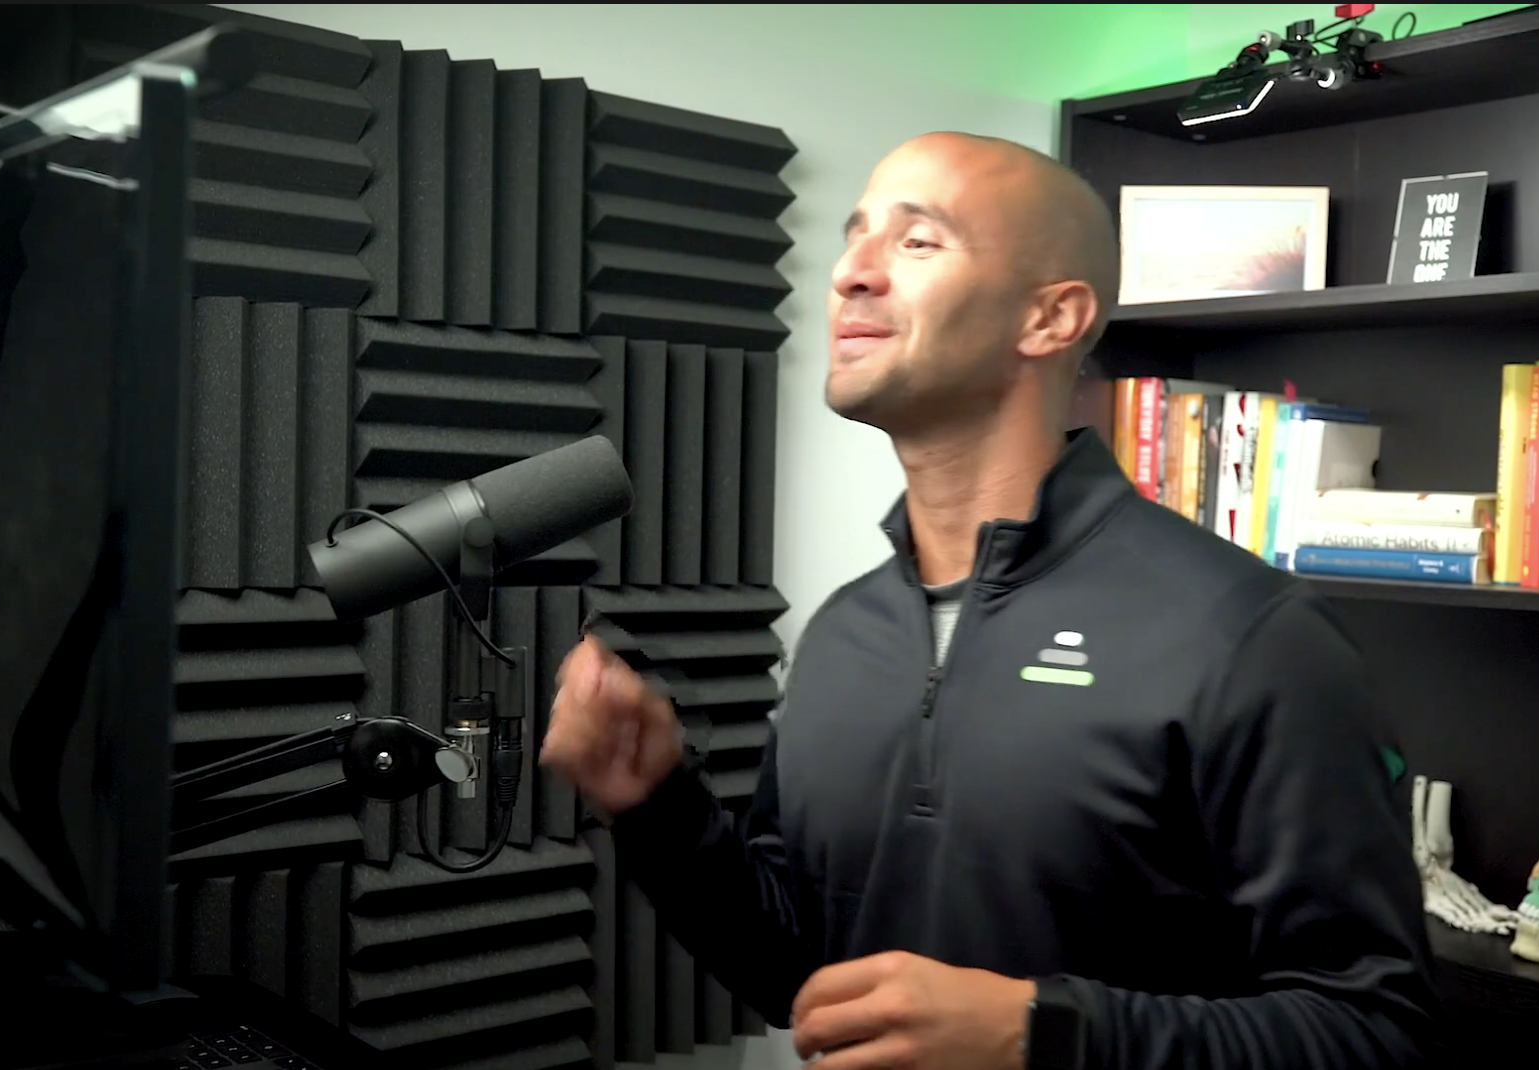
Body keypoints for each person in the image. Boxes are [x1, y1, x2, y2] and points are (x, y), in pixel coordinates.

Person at [541, 131, 1442, 1070]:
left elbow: (1376, 1033)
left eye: (917, 241)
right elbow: (804, 977)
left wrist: (1040, 1033)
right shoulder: (847, 634)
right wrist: (657, 810)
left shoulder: (1249, 638)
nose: (850, 272)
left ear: (1051, 317)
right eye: (856, 238)